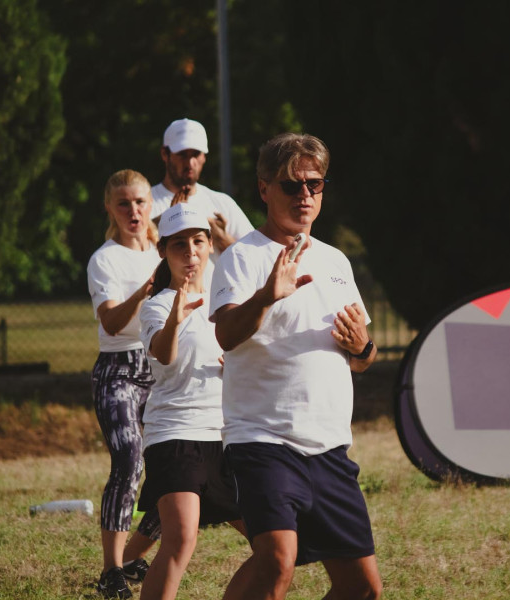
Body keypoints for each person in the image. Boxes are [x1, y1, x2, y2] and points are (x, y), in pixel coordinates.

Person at [209, 133, 383, 600]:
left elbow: (363, 359)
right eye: (292, 185)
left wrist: (363, 346)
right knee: (277, 563)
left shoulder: (335, 261)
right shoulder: (240, 259)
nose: (305, 195)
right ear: (264, 188)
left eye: (315, 184)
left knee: (362, 589)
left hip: (329, 447)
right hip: (264, 440)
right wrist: (266, 295)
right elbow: (225, 334)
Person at [136, 202, 246, 600]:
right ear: (164, 250)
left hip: (227, 435)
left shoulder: (227, 301)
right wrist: (175, 319)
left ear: (210, 245)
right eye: (179, 244)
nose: (191, 252)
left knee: (275, 540)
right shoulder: (156, 305)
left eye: (198, 241)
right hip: (175, 434)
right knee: (181, 540)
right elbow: (163, 354)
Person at [87, 169, 162, 599]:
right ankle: (112, 571)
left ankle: (133, 556)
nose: (133, 211)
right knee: (130, 459)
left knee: (179, 470)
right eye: (123, 203)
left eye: (139, 202)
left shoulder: (165, 247)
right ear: (110, 208)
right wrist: (143, 291)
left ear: (150, 204)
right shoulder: (104, 259)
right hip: (118, 369)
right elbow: (113, 323)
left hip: (162, 366)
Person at [151, 118, 253, 265]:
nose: (190, 162)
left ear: (204, 157)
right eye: (182, 154)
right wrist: (166, 220)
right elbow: (129, 254)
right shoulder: (142, 203)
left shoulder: (222, 203)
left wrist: (221, 238)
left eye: (196, 154)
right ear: (164, 154)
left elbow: (254, 258)